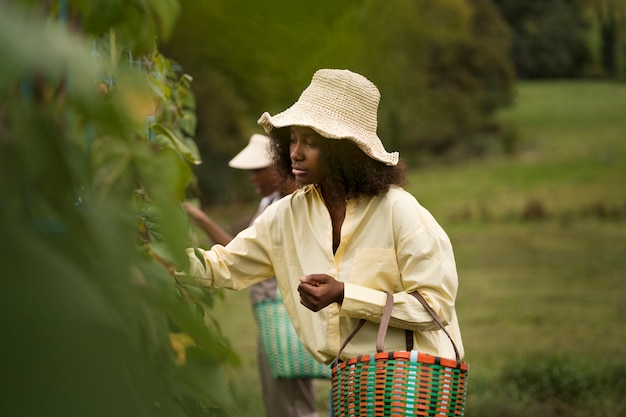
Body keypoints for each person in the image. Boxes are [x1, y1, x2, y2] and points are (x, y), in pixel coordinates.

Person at [184, 69, 464, 409]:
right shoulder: (286, 216)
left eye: (312, 143)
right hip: (351, 384)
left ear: (344, 152)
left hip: (412, 387)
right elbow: (222, 266)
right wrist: (152, 251)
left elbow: (435, 307)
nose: (296, 153)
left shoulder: (400, 213)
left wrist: (344, 294)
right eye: (293, 139)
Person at [183, 134, 318, 417]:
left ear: (278, 168)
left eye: (258, 170)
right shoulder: (270, 203)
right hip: (270, 313)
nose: (252, 178)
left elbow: (236, 252)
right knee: (278, 396)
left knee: (292, 401)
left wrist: (201, 221)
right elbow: (241, 252)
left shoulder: (290, 207)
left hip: (285, 313)